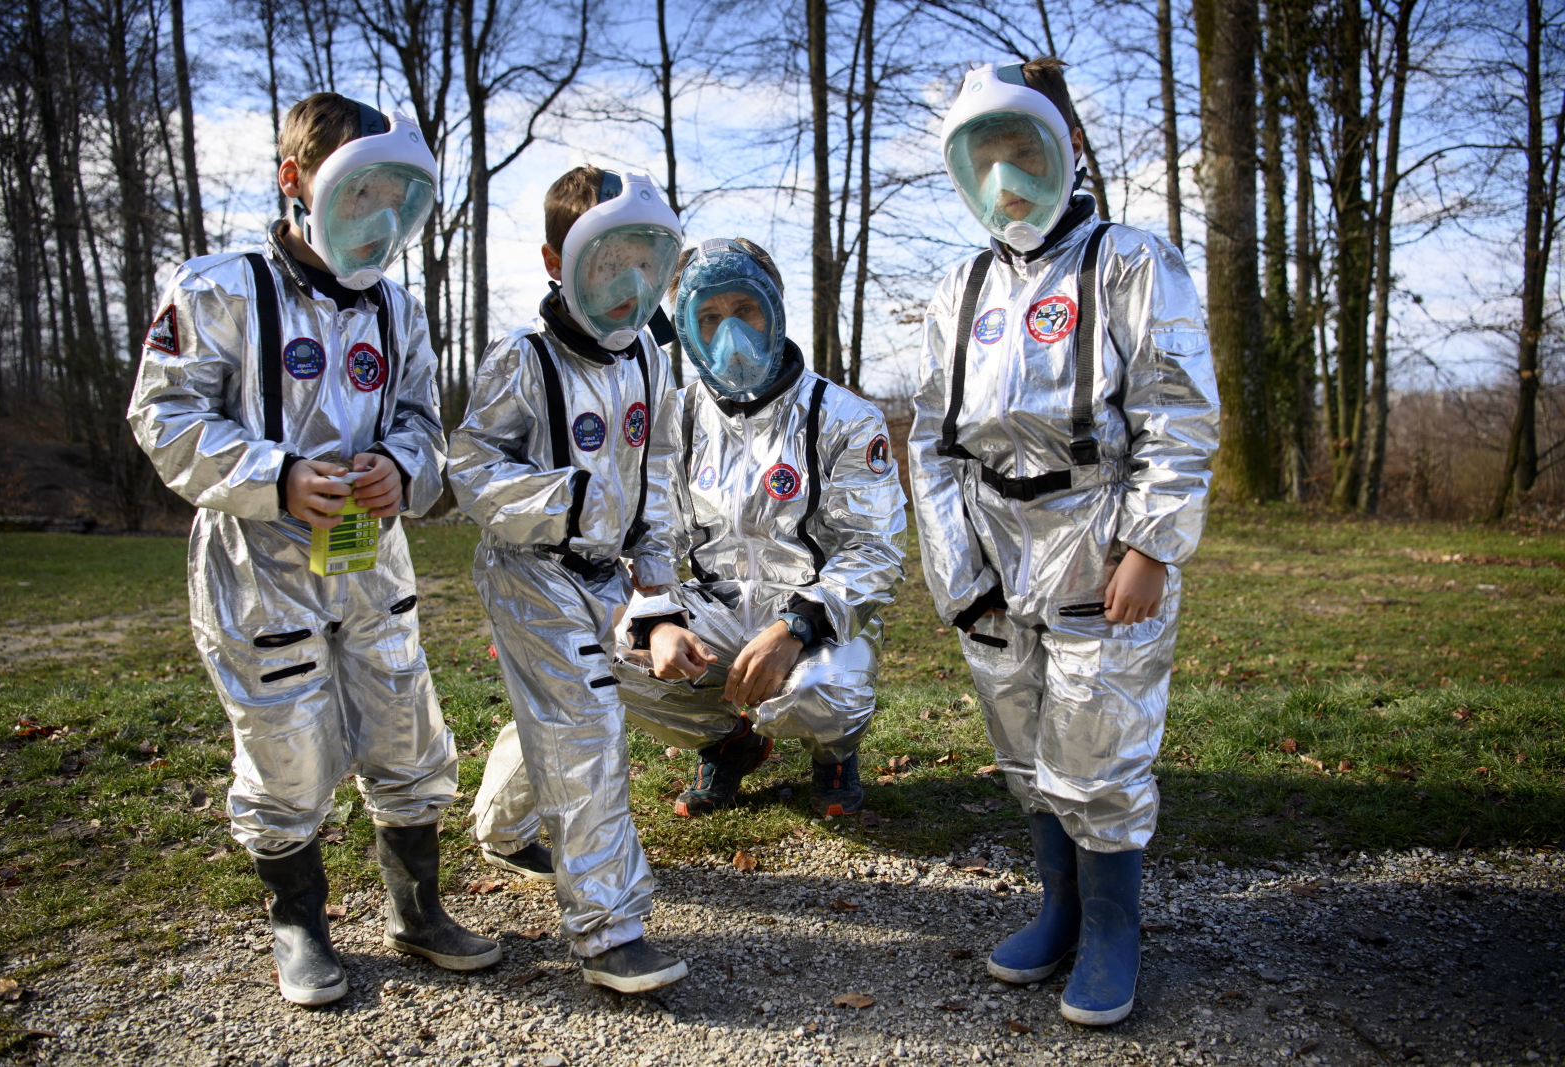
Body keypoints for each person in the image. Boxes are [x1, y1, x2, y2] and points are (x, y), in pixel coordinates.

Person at [129, 93, 498, 1007]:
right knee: (286, 748)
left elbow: (421, 418)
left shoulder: (395, 308)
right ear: (296, 180)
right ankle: (299, 921)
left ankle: (418, 911)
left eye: (392, 198)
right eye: (356, 191)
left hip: (370, 557)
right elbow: (162, 413)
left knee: (406, 730)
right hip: (260, 572)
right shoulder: (218, 288)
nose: (375, 220)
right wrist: (277, 473)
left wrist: (401, 465)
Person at [910, 59, 1219, 1026]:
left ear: (1067, 148)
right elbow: (930, 439)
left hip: (1099, 532)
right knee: (1025, 738)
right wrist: (958, 568)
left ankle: (1113, 928)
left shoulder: (1129, 262)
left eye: (1023, 151)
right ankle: (1059, 906)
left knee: (1099, 741)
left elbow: (1178, 413)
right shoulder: (957, 289)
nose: (1006, 178)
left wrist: (1152, 545)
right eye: (984, 158)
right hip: (994, 545)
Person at [449, 165, 689, 994]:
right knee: (584, 721)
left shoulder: (650, 358)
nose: (628, 288)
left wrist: (655, 596)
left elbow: (657, 478)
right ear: (557, 262)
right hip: (529, 569)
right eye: (604, 265)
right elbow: (469, 469)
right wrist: (570, 499)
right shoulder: (524, 360)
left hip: (603, 573)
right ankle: (609, 927)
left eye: (644, 265)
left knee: (561, 706)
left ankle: (502, 826)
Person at [612, 237, 906, 819]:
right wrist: (658, 621)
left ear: (774, 309)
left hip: (811, 614)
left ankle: (832, 752)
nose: (731, 335)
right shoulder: (667, 418)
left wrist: (796, 625)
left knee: (823, 695)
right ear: (686, 329)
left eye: (744, 310)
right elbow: (643, 537)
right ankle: (727, 744)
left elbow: (874, 550)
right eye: (709, 317)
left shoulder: (843, 418)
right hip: (710, 609)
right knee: (601, 657)